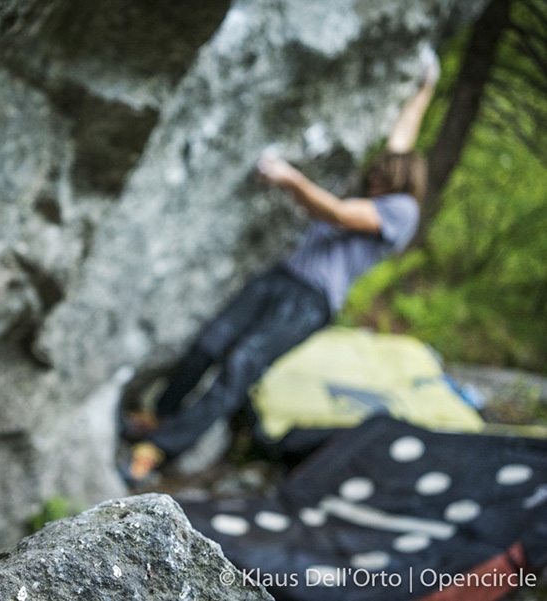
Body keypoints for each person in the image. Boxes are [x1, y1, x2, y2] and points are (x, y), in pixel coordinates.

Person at [123, 48, 440, 485]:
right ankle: (160, 418)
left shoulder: (402, 210)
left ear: (400, 182)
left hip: (311, 301)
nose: (372, 181)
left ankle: (157, 451)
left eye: (381, 179)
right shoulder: (388, 187)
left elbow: (339, 215)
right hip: (282, 278)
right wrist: (426, 88)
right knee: (209, 344)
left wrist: (289, 178)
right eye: (374, 177)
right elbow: (402, 139)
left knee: (239, 367)